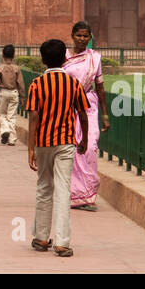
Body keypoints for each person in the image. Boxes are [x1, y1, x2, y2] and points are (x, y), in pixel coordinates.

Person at [25, 38, 91, 257]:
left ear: (42, 60)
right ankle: (62, 242)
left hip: (43, 142)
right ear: (65, 58)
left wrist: (31, 148)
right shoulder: (73, 84)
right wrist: (84, 139)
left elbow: (33, 116)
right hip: (65, 141)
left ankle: (41, 238)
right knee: (63, 189)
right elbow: (82, 112)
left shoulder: (36, 84)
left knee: (44, 187)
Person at [64, 21, 110, 210]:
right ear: (72, 36)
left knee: (89, 147)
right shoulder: (63, 56)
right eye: (79, 36)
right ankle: (74, 194)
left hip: (88, 105)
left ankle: (87, 195)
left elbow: (100, 86)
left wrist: (105, 114)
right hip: (68, 107)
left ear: (90, 38)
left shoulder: (94, 58)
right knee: (72, 149)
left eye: (85, 36)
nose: (82, 39)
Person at [0, 44, 25, 146]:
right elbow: (21, 83)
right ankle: (12, 139)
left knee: (2, 115)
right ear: (13, 55)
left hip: (3, 93)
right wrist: (22, 97)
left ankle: (5, 130)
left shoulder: (0, 68)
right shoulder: (16, 68)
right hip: (14, 93)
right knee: (12, 116)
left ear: (3, 55)